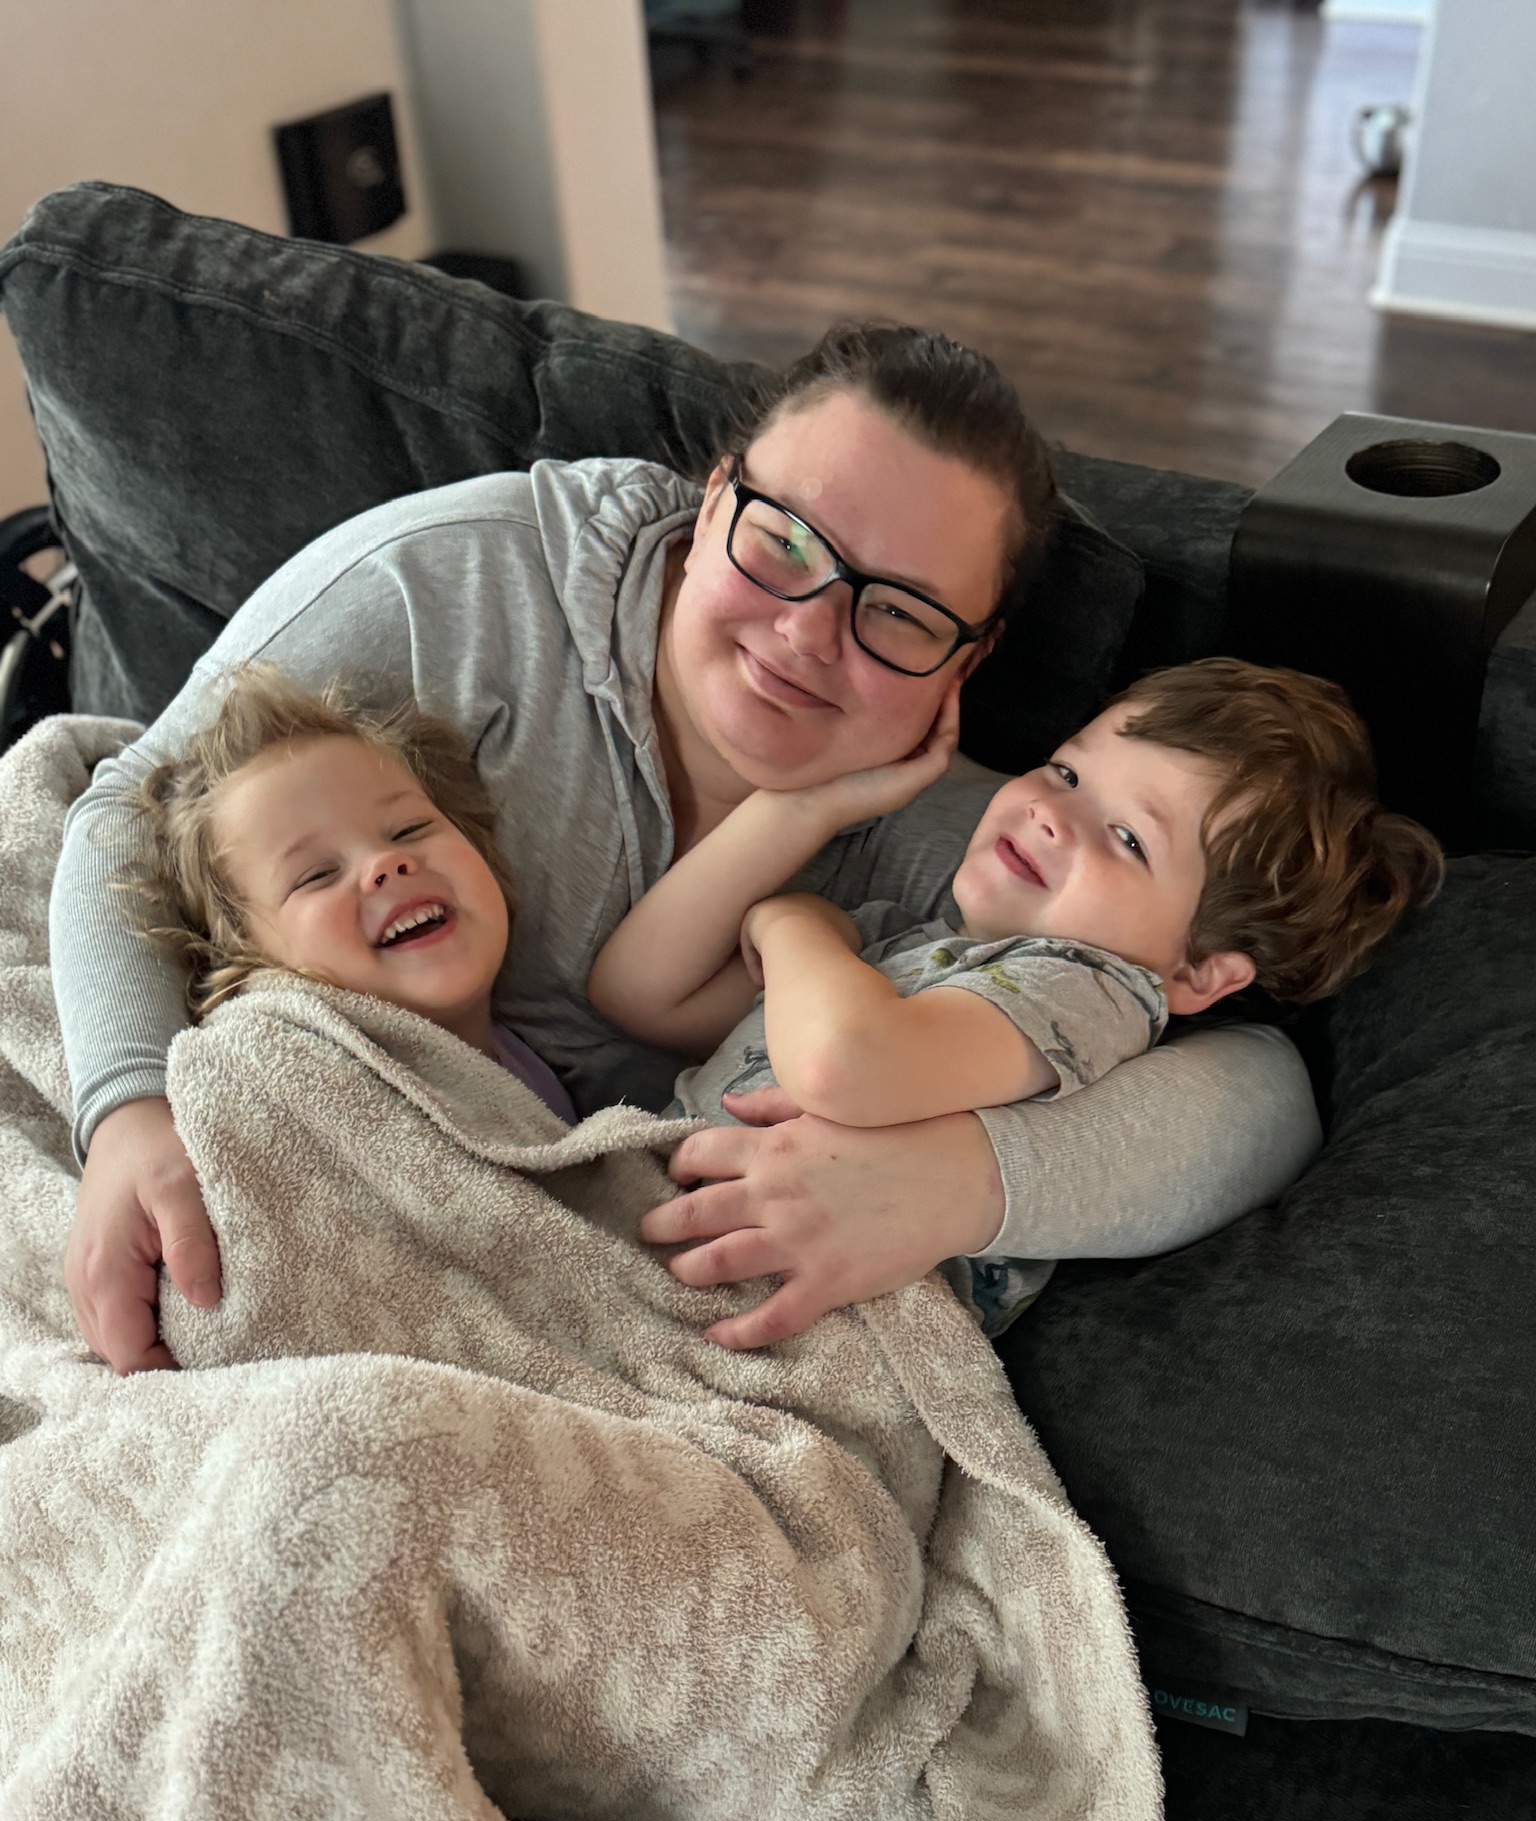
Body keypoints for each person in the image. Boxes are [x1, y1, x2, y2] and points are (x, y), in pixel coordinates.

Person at [53, 320, 1322, 1375]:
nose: (806, 636)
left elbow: (1262, 1090)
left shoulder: (979, 844)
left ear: (972, 656)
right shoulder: (458, 584)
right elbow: (125, 808)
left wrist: (958, 1184)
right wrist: (127, 1109)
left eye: (899, 612)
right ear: (715, 495)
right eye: (783, 542)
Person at [591, 657, 1442, 1332]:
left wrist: (793, 926)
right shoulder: (901, 950)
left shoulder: (1087, 992)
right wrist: (803, 813)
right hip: (672, 1258)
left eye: (1126, 837)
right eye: (1066, 774)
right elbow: (639, 993)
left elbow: (844, 1064)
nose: (1048, 814)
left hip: (797, 1326)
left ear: (1196, 972)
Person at [124, 666, 576, 1130]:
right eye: (317, 875)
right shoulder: (297, 1110)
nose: (385, 863)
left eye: (409, 829)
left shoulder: (528, 1065)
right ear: (248, 961)